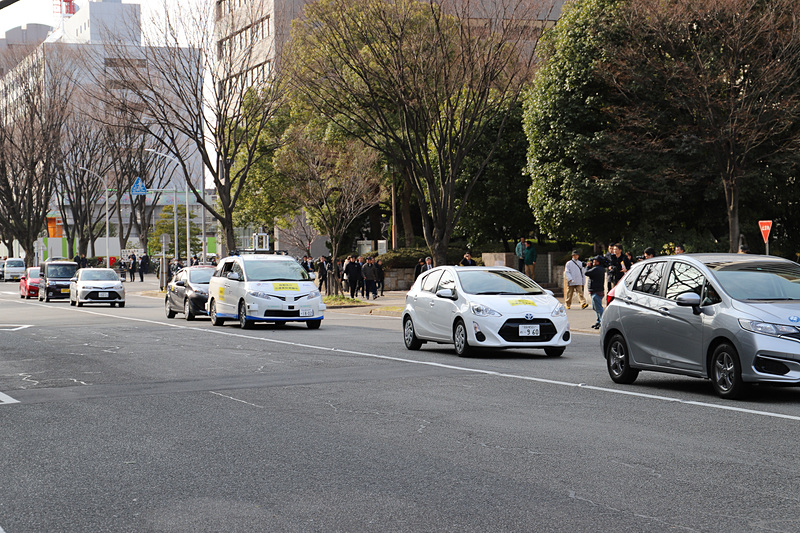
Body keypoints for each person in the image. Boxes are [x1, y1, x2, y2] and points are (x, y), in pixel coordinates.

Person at [585, 256, 606, 329]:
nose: (593, 262)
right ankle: (598, 321)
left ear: (598, 262)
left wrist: (587, 266)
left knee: (599, 308)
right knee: (596, 308)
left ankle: (603, 322)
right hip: (597, 291)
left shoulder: (596, 269)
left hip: (596, 291)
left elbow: (586, 273)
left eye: (594, 261)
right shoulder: (600, 269)